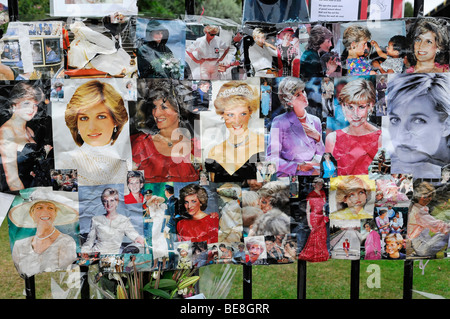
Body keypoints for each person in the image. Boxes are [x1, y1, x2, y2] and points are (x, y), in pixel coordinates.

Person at [62, 80, 129, 186]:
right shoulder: (66, 163)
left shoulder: (128, 163)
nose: (92, 127)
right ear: (76, 124)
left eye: (101, 116)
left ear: (115, 120)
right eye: (84, 118)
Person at [131, 79, 199, 183]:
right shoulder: (140, 145)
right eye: (154, 106)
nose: (156, 113)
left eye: (164, 107)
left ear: (179, 110)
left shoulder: (196, 147)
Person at [386, 73, 450, 179]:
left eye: (418, 121)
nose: (400, 136)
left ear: (447, 125)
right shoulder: (383, 166)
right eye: (395, 120)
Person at [205, 81, 264, 182]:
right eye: (230, 115)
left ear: (250, 112)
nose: (237, 121)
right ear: (222, 115)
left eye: (243, 114)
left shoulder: (264, 143)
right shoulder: (214, 152)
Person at [267, 77, 325, 177]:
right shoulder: (279, 122)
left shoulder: (316, 120)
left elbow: (321, 153)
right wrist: (297, 167)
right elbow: (272, 158)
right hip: (289, 175)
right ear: (289, 102)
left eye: (303, 91)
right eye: (298, 95)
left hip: (313, 174)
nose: (304, 96)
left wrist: (318, 137)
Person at [0, 82, 53, 192]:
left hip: (34, 187)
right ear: (14, 105)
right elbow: (12, 179)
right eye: (26, 104)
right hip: (18, 191)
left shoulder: (30, 130)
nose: (32, 109)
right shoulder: (7, 131)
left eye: (35, 105)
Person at [325, 78, 381, 176]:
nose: (355, 114)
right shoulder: (332, 139)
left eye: (361, 107)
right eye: (350, 107)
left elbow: (383, 180)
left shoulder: (381, 138)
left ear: (370, 106)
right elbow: (329, 176)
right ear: (343, 106)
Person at [10, 199, 78, 277]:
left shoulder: (66, 242)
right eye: (39, 208)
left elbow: (66, 275)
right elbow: (18, 275)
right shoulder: (19, 245)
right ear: (32, 214)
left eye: (50, 208)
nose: (45, 212)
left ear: (55, 213)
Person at [81, 188, 145, 254]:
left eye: (112, 200)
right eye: (106, 201)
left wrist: (139, 239)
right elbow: (89, 241)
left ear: (116, 202)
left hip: (114, 256)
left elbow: (135, 236)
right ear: (103, 203)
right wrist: (83, 253)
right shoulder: (95, 219)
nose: (109, 204)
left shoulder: (124, 220)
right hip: (96, 254)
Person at [407, 182, 449, 257]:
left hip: (419, 244)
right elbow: (439, 226)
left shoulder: (415, 208)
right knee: (446, 232)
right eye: (426, 196)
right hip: (422, 248)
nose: (429, 199)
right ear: (418, 196)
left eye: (430, 196)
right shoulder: (419, 212)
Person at [298, 177, 330, 262]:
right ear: (314, 185)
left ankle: (321, 255)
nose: (320, 185)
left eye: (321, 184)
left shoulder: (322, 193)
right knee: (314, 237)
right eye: (318, 184)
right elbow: (308, 211)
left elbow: (324, 207)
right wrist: (309, 223)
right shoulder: (310, 195)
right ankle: (312, 255)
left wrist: (325, 216)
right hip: (314, 218)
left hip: (321, 218)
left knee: (322, 236)